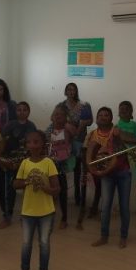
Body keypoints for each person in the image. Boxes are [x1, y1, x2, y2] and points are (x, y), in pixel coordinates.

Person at [13, 131, 60, 270]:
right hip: (27, 211)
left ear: (43, 145)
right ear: (26, 145)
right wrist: (28, 181)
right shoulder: (25, 163)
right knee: (26, 243)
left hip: (46, 212)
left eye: (36, 142)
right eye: (30, 142)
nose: (33, 145)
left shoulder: (48, 163)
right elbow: (15, 184)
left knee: (44, 243)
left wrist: (44, 187)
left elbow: (56, 189)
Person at [87, 107, 136, 247]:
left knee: (124, 206)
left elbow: (134, 140)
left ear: (111, 118)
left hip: (123, 172)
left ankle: (123, 236)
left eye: (106, 115)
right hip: (106, 174)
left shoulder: (117, 129)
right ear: (97, 118)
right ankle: (104, 236)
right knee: (106, 206)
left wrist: (121, 135)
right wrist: (93, 169)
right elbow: (89, 154)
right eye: (101, 115)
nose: (103, 117)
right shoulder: (93, 134)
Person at [0, 102, 37, 229]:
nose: (22, 112)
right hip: (10, 162)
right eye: (19, 109)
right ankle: (7, 216)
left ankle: (26, 215)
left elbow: (33, 146)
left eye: (25, 109)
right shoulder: (9, 125)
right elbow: (3, 143)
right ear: (16, 111)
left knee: (27, 189)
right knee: (9, 190)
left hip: (26, 162)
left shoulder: (31, 126)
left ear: (29, 112)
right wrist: (0, 159)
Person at [56, 83, 93, 217]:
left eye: (73, 89)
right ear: (65, 91)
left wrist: (81, 125)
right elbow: (54, 118)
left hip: (79, 140)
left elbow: (89, 121)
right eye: (69, 89)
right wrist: (66, 124)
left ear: (76, 91)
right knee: (63, 167)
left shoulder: (84, 105)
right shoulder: (61, 106)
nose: (71, 91)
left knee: (79, 168)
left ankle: (79, 196)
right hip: (64, 141)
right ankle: (62, 194)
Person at [46, 105, 76, 229]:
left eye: (61, 115)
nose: (58, 116)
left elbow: (75, 133)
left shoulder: (67, 128)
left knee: (63, 191)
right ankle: (48, 214)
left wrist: (68, 125)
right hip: (51, 162)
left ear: (65, 118)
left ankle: (64, 218)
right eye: (55, 114)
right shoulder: (49, 129)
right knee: (51, 190)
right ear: (52, 116)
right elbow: (45, 142)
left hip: (63, 164)